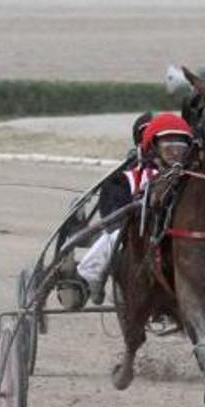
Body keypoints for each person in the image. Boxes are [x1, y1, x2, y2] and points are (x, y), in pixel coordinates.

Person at [74, 113, 194, 305]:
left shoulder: (193, 178)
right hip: (135, 231)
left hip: (180, 233)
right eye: (168, 145)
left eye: (179, 146)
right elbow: (112, 215)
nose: (174, 153)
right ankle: (90, 278)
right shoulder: (127, 178)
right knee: (113, 236)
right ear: (152, 146)